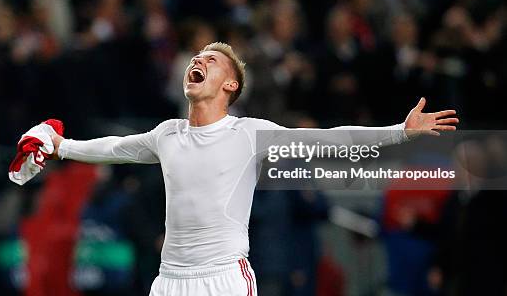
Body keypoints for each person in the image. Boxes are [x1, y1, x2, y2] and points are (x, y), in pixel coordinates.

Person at [48, 42, 458, 296]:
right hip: (169, 281)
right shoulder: (167, 133)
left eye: (211, 59)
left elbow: (334, 139)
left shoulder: (250, 133)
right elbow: (114, 147)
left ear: (230, 86)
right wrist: (59, 145)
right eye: (196, 57)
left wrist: (400, 132)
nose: (198, 60)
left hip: (225, 278)